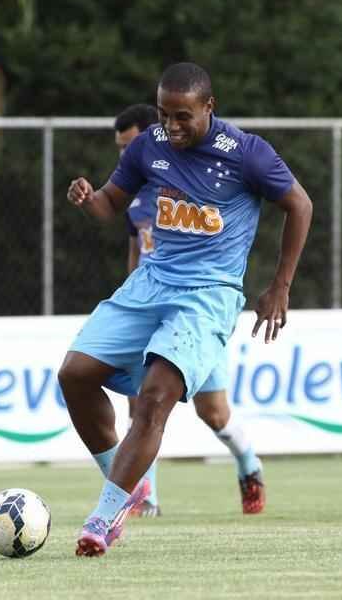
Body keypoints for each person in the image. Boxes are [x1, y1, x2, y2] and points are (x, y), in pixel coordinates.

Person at [60, 63, 313, 557]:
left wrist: (279, 286)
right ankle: (123, 487)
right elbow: (112, 204)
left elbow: (300, 205)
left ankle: (104, 515)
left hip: (208, 296)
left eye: (183, 116)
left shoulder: (246, 153)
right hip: (151, 282)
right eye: (163, 114)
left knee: (156, 400)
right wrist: (89, 198)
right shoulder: (147, 146)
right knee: (74, 375)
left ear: (209, 108)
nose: (171, 126)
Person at [111, 103, 268, 519]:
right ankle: (146, 501)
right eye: (120, 149)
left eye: (129, 146)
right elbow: (136, 252)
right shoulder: (134, 200)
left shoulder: (187, 184)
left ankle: (248, 464)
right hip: (150, 306)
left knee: (213, 413)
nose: (125, 156)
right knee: (141, 405)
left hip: (195, 309)